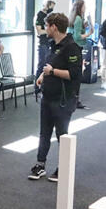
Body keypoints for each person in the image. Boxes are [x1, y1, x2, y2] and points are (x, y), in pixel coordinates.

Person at [27, 13, 81, 182]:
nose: (45, 29)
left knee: (62, 135)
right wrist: (44, 76)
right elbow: (50, 66)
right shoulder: (53, 45)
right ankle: (40, 165)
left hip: (63, 99)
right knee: (44, 133)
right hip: (48, 96)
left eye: (47, 26)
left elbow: (74, 74)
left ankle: (64, 167)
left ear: (54, 27)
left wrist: (52, 72)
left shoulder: (72, 47)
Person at [70, 0, 91, 109]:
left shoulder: (74, 18)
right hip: (76, 47)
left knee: (75, 74)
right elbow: (77, 36)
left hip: (73, 47)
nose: (85, 8)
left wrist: (84, 26)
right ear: (80, 7)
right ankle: (75, 100)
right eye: (84, 6)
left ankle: (73, 99)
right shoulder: (78, 19)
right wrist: (88, 34)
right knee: (77, 75)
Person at [34, 0, 56, 83]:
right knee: (41, 66)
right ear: (47, 6)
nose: (52, 9)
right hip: (43, 44)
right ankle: (37, 88)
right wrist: (49, 30)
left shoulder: (49, 16)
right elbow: (39, 31)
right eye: (51, 7)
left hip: (49, 43)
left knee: (48, 65)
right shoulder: (39, 15)